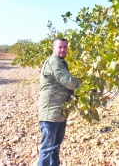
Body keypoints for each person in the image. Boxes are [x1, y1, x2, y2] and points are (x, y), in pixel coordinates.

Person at [38, 38, 79, 166]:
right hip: (50, 113)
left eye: (65, 47)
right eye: (60, 47)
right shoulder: (54, 62)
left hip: (60, 113)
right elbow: (69, 82)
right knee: (47, 149)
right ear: (53, 48)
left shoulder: (62, 62)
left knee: (55, 148)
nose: (63, 50)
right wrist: (89, 86)